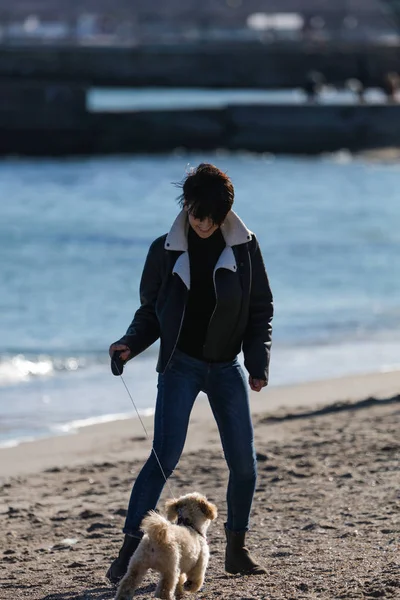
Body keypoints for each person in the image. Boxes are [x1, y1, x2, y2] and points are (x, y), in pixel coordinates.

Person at [106, 163, 273, 584]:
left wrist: (258, 362)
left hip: (226, 366)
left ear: (224, 214)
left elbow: (260, 310)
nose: (203, 223)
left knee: (245, 465)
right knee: (163, 459)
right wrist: (130, 344)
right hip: (180, 365)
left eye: (211, 217)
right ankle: (129, 551)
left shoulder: (245, 248)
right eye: (197, 213)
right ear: (187, 206)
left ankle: (236, 549)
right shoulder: (164, 249)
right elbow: (150, 312)